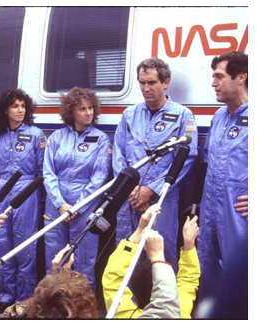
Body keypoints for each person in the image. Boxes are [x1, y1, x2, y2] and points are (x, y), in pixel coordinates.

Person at [112, 58, 198, 267]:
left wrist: (152, 189)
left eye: (151, 82)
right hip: (129, 198)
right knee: (124, 253)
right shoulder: (129, 114)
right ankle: (124, 299)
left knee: (161, 255)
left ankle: (160, 300)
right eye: (142, 83)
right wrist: (128, 188)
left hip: (161, 199)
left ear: (165, 82)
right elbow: (118, 152)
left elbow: (188, 157)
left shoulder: (182, 115)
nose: (146, 88)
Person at [0, 89, 46, 315]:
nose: (20, 111)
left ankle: (23, 299)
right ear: (5, 110)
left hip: (27, 191)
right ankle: (6, 296)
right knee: (2, 244)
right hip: (2, 190)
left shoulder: (36, 134)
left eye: (23, 106)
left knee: (24, 246)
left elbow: (41, 172)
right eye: (14, 106)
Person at [40, 87, 111, 287]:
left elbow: (99, 177)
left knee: (84, 258)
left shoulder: (100, 139)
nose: (88, 113)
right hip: (57, 205)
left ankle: (83, 310)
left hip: (86, 204)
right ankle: (53, 305)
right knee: (54, 258)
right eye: (82, 109)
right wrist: (61, 204)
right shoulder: (56, 138)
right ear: (71, 112)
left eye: (91, 108)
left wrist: (77, 206)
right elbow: (49, 173)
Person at [198, 51, 247, 303]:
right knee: (206, 273)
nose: (213, 83)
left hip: (239, 215)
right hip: (211, 212)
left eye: (219, 76)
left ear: (241, 77)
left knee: (240, 282)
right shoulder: (218, 118)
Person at [102, 205, 199, 318]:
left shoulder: (124, 315)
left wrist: (140, 230)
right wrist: (189, 242)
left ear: (136, 294)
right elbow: (188, 280)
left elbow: (113, 278)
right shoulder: (179, 312)